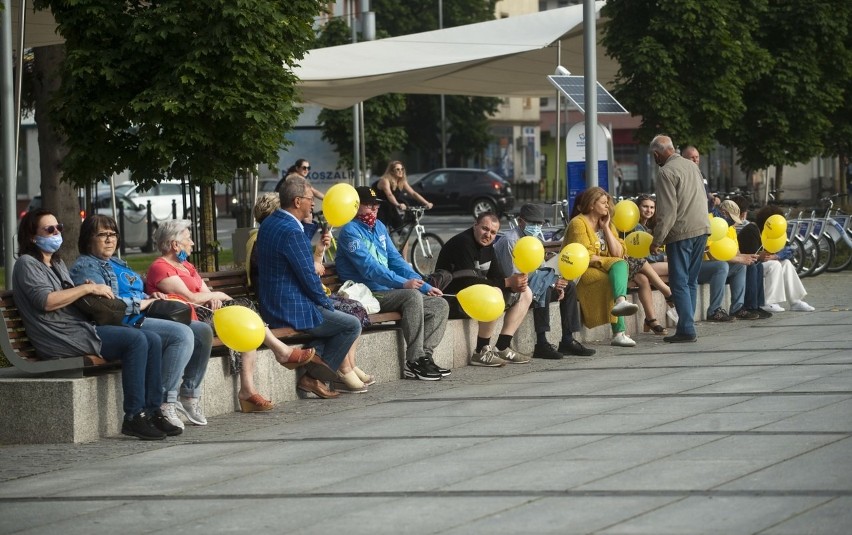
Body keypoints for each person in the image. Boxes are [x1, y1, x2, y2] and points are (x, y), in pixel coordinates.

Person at [13, 210, 179, 440]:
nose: (56, 233)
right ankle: (133, 416)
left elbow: (70, 296)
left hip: (79, 329)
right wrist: (87, 288)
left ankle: (152, 411)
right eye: (49, 230)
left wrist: (84, 288)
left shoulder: (57, 263)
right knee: (137, 340)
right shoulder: (26, 264)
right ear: (32, 236)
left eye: (58, 227)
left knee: (152, 338)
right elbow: (46, 301)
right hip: (59, 336)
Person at [146, 219, 320, 411]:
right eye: (189, 238)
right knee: (244, 314)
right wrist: (216, 295)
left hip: (206, 312)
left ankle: (252, 385)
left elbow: (205, 292)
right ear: (174, 244)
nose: (193, 243)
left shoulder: (186, 265)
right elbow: (191, 298)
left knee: (245, 316)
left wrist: (213, 298)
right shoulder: (160, 267)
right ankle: (277, 357)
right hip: (188, 319)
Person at [71, 214, 213, 431]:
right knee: (181, 334)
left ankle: (190, 394)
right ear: (88, 238)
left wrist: (154, 295)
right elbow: (106, 307)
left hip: (144, 314)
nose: (109, 240)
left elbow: (140, 289)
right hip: (125, 321)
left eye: (113, 234)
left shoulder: (117, 263)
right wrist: (143, 304)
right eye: (102, 235)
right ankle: (165, 402)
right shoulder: (87, 267)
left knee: (202, 331)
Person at [247, 192, 373, 392]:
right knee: (351, 325)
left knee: (340, 319)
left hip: (279, 302)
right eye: (309, 199)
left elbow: (298, 257)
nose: (314, 203)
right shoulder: (289, 232)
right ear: (297, 201)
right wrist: (324, 302)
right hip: (292, 306)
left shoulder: (271, 226)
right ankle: (315, 376)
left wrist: (315, 241)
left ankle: (334, 364)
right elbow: (307, 275)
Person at [336, 186, 451, 380]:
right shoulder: (349, 232)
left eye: (376, 205)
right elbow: (369, 269)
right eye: (368, 205)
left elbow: (395, 260)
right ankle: (414, 360)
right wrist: (403, 283)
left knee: (440, 304)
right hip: (367, 293)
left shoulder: (379, 226)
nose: (374, 209)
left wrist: (424, 284)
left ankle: (424, 358)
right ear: (355, 207)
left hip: (387, 290)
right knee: (411, 296)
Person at [494, 203, 596, 358]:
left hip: (533, 284)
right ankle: (541, 342)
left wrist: (557, 283)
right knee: (546, 290)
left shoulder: (534, 240)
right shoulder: (511, 241)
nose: (536, 227)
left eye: (539, 224)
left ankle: (568, 340)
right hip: (512, 287)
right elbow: (514, 277)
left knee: (569, 288)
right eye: (532, 223)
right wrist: (551, 283)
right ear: (521, 221)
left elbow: (541, 269)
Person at [434, 212, 534, 366]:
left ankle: (502, 346)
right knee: (495, 292)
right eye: (484, 229)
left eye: (493, 232)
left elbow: (497, 276)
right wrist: (507, 282)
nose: (488, 235)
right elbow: (467, 282)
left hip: (473, 297)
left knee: (525, 292)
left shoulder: (489, 247)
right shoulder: (462, 244)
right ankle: (481, 351)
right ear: (475, 226)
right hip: (452, 299)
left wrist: (516, 283)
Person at [649, 135, 711, 343]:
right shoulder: (692, 166)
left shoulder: (666, 172)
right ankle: (688, 324)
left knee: (679, 281)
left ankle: (686, 328)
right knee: (691, 280)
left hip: (681, 232)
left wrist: (657, 239)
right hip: (702, 228)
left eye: (653, 155)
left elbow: (667, 212)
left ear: (657, 154)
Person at [565, 189, 640, 347]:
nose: (608, 206)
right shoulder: (578, 223)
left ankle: (620, 309)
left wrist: (606, 228)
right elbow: (585, 255)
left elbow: (618, 253)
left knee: (618, 267)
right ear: (592, 205)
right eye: (603, 203)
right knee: (612, 275)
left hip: (601, 267)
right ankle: (619, 332)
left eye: (608, 202)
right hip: (580, 271)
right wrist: (608, 262)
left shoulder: (607, 222)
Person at [738, 205, 814, 313]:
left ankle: (795, 301)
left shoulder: (772, 233)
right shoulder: (751, 230)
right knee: (774, 265)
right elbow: (749, 254)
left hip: (762, 263)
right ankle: (768, 302)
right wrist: (762, 256)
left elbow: (786, 251)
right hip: (751, 265)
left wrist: (775, 256)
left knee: (786, 263)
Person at [716, 200, 763, 320]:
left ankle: (741, 308)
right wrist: (740, 259)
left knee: (752, 264)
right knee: (728, 266)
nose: (733, 222)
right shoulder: (714, 223)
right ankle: (749, 306)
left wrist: (747, 257)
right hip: (711, 263)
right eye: (731, 218)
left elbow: (736, 252)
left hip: (724, 262)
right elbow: (714, 254)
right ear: (723, 213)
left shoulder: (730, 228)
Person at [374, 160, 433, 231]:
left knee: (402, 231)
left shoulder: (401, 181)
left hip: (391, 206)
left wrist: (426, 203)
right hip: (380, 207)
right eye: (397, 169)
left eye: (402, 169)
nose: (400, 171)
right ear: (391, 171)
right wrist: (398, 205)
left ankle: (404, 241)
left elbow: (413, 193)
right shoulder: (385, 180)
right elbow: (389, 195)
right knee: (382, 231)